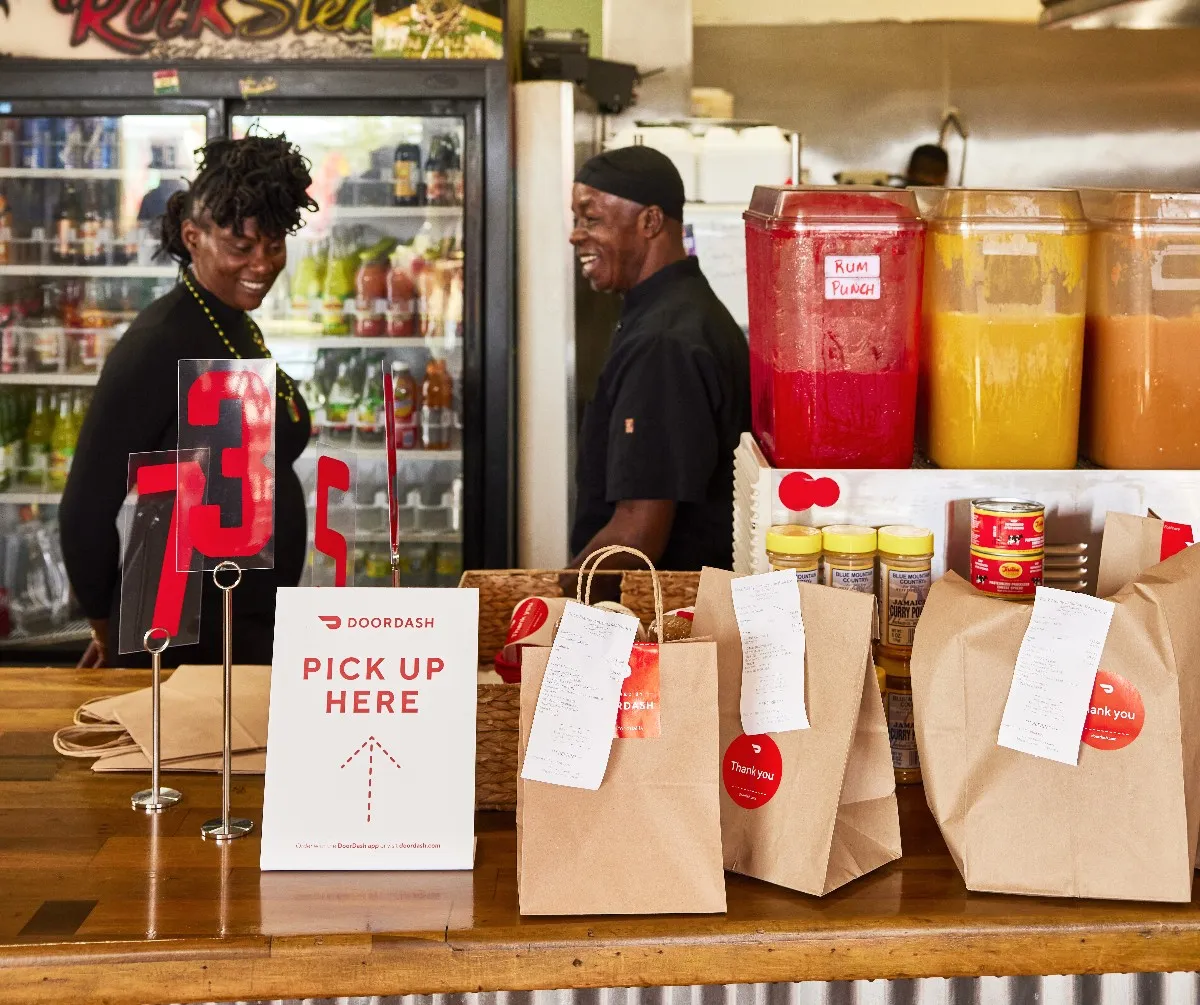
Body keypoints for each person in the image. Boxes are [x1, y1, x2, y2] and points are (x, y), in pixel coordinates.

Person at [60, 134, 317, 668]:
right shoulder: (159, 339)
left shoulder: (230, 322)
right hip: (185, 634)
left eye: (273, 246)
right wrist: (108, 629)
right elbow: (85, 508)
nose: (263, 264)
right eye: (241, 248)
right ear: (193, 236)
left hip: (240, 623)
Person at [568, 146, 750, 571]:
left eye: (591, 219)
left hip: (662, 615)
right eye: (576, 220)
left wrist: (558, 613)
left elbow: (636, 536)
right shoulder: (675, 310)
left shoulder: (663, 341)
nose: (576, 235)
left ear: (649, 221)